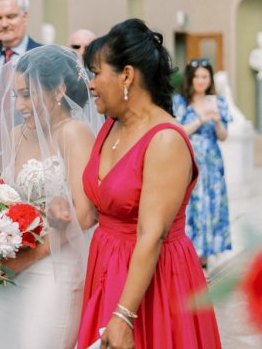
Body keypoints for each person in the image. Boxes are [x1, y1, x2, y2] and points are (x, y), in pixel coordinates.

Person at [0, 45, 100, 348]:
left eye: (28, 94)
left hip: (52, 267)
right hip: (7, 271)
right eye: (16, 96)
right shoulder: (15, 135)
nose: (20, 105)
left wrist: (32, 255)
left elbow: (86, 213)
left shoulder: (74, 133)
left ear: (58, 90)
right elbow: (7, 200)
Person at [78, 18, 221, 348]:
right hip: (105, 266)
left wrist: (124, 315)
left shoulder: (166, 140)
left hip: (151, 282)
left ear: (126, 75)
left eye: (97, 73)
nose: (91, 85)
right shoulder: (109, 127)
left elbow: (151, 235)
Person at [172, 59, 231, 272]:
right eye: (196, 76)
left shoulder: (218, 102)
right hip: (187, 160)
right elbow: (178, 131)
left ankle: (204, 259)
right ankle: (185, 255)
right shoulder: (179, 102)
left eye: (204, 76)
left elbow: (223, 136)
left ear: (210, 79)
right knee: (190, 206)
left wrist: (215, 121)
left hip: (212, 163)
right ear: (190, 78)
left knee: (210, 206)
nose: (200, 80)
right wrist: (200, 119)